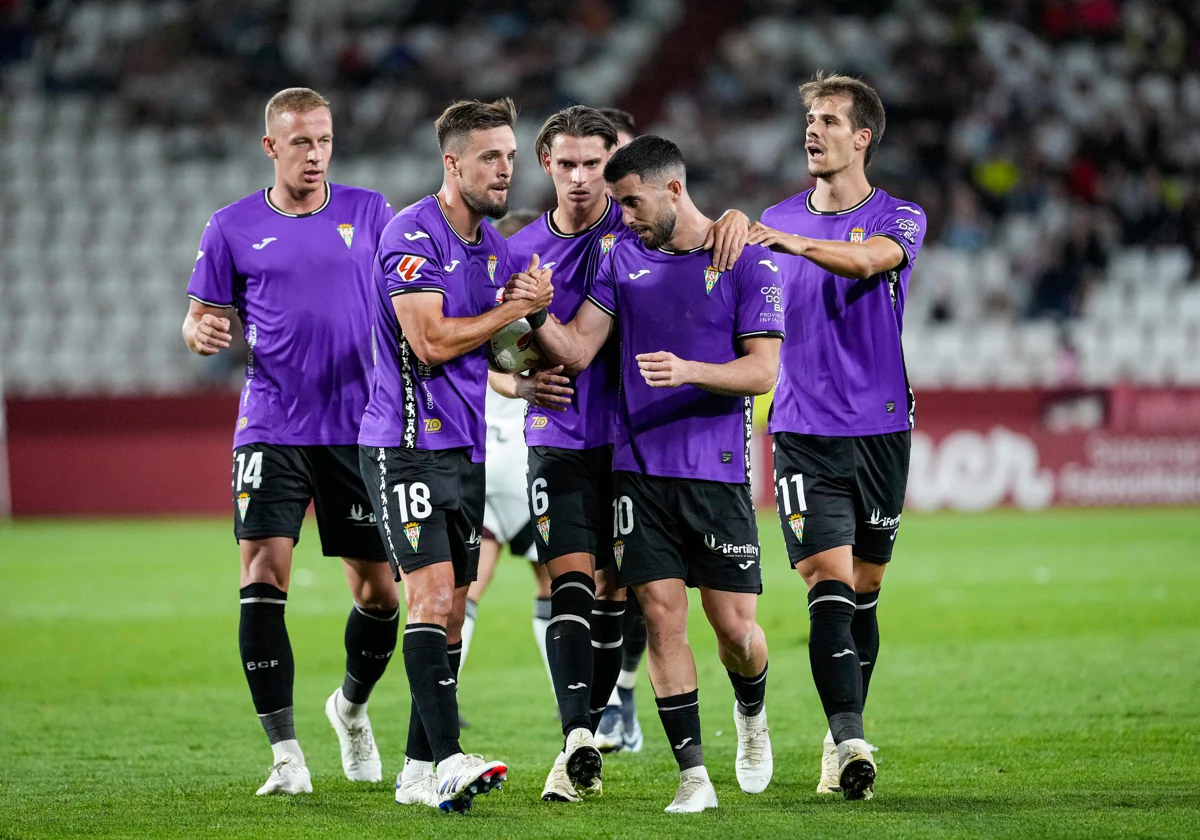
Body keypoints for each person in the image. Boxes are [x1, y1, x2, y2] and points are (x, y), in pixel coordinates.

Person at [492, 107, 751, 804]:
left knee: (629, 597)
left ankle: (600, 725)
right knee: (570, 582)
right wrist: (518, 380)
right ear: (545, 163)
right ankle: (576, 738)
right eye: (566, 164)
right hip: (559, 439)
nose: (580, 179)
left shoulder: (634, 223)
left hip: (636, 445)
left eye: (592, 164)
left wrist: (737, 219)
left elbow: (692, 221)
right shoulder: (513, 251)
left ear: (616, 163)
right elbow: (482, 350)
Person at [182, 87, 398, 797]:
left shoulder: (369, 212)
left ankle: (352, 710)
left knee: (380, 596)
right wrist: (200, 331)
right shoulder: (232, 227)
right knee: (261, 574)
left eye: (325, 140)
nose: (315, 154)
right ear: (271, 147)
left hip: (357, 427)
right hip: (272, 424)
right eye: (301, 142)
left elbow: (408, 300)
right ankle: (285, 754)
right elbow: (200, 318)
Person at [356, 96, 552, 813]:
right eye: (490, 158)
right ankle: (447, 763)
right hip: (404, 445)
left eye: (509, 155)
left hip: (464, 451)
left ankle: (415, 770)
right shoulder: (412, 233)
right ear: (452, 163)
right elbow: (433, 342)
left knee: (451, 611)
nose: (505, 170)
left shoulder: (494, 247)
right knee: (433, 598)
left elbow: (500, 355)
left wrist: (535, 368)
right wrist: (510, 306)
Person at [747, 71, 928, 802]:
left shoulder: (900, 217)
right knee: (828, 578)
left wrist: (785, 241)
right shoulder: (775, 217)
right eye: (809, 120)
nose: (812, 131)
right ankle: (850, 738)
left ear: (863, 137)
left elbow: (866, 261)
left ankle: (838, 730)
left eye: (828, 120)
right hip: (801, 431)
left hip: (882, 429)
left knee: (867, 589)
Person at [456, 209, 556, 707]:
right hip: (523, 457)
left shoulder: (472, 302)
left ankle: (442, 696)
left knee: (468, 588)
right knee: (555, 583)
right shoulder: (537, 308)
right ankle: (584, 710)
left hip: (477, 453)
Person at [593, 105, 649, 755]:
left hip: (648, 427)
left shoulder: (658, 230)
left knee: (641, 578)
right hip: (579, 428)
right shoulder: (568, 233)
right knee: (591, 578)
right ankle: (597, 707)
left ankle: (624, 690)